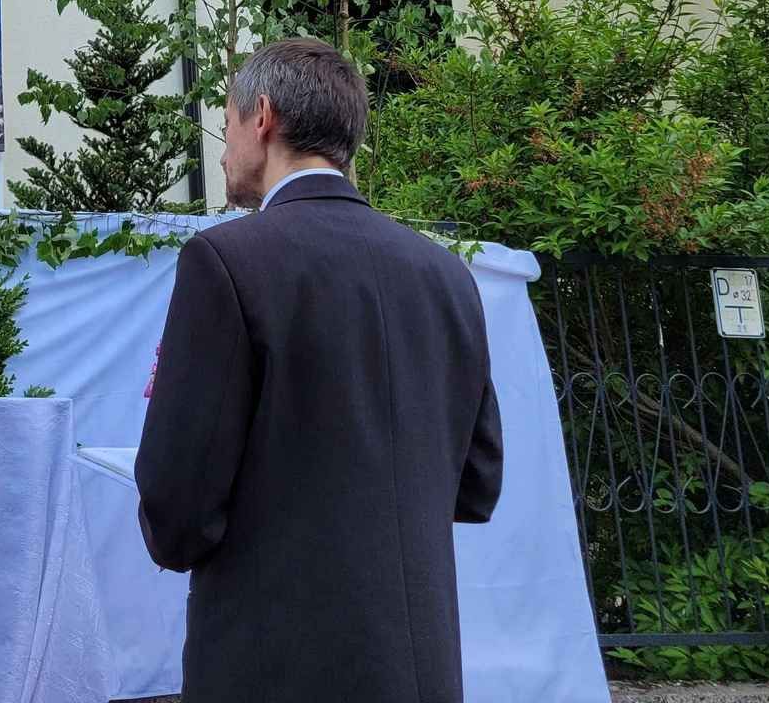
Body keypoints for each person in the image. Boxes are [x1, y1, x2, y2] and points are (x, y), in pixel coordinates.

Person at [135, 38, 503, 703]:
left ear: (262, 117)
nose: (223, 150)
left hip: (275, 662)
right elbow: (476, 484)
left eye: (227, 122)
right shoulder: (447, 275)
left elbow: (178, 508)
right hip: (419, 668)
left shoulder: (227, 262)